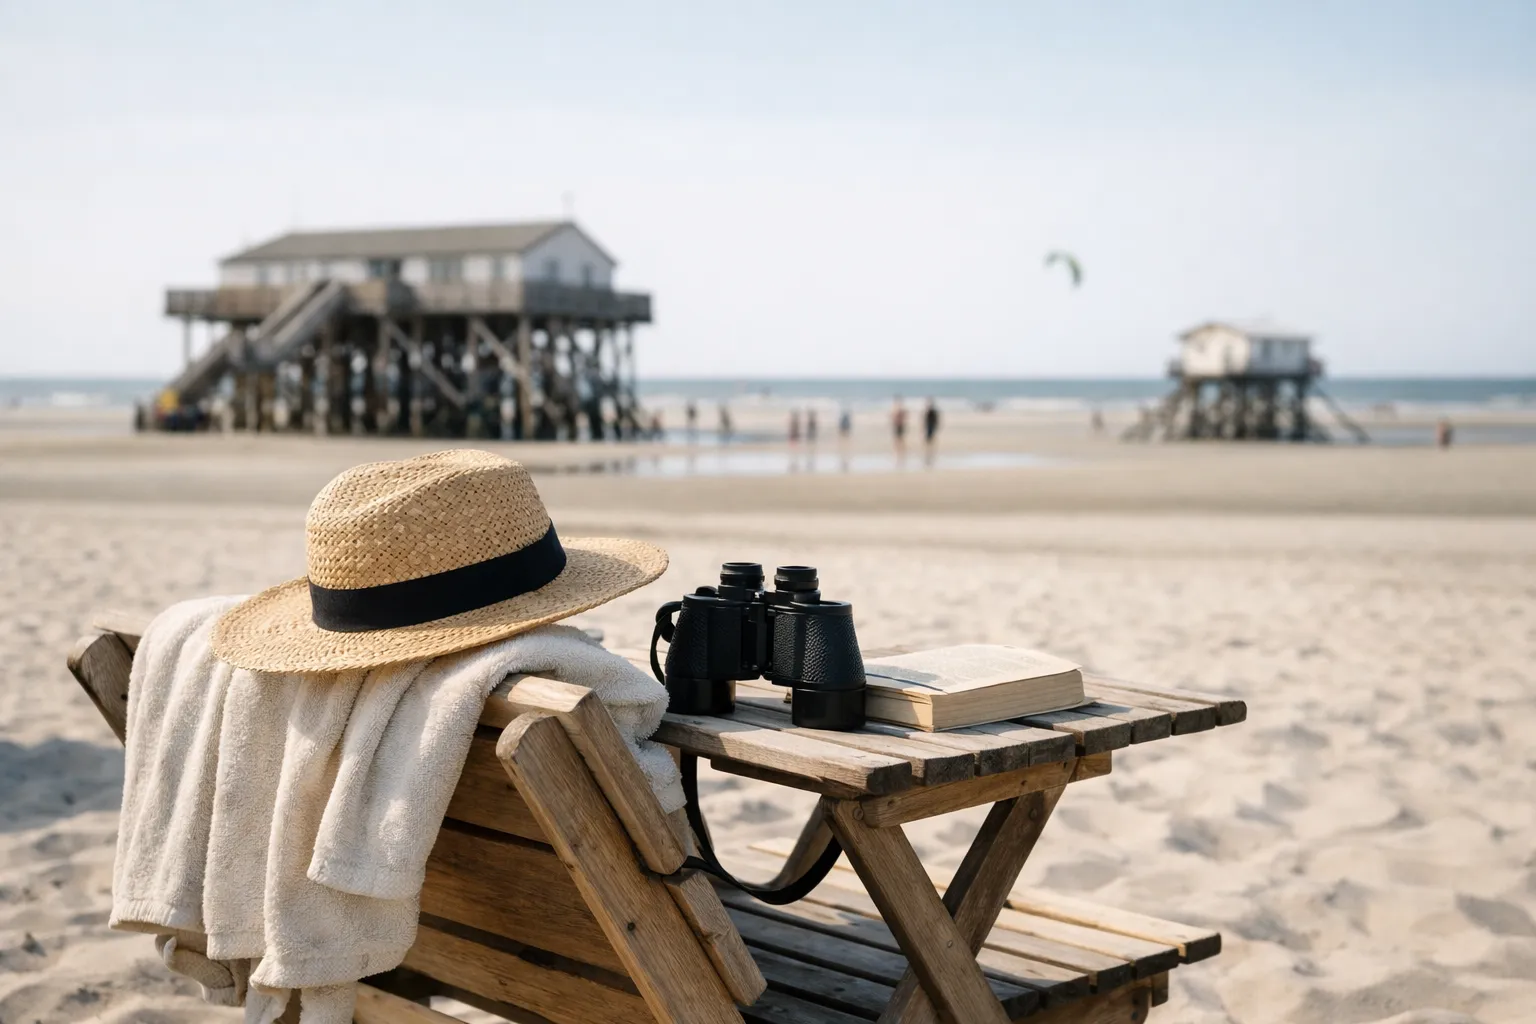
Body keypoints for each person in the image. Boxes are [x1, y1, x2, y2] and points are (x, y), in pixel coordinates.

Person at [922, 397, 940, 465]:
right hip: (928, 428)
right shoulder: (927, 412)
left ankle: (931, 453)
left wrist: (935, 428)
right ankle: (928, 453)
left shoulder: (933, 412)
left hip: (931, 428)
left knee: (930, 442)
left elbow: (936, 421)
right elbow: (925, 421)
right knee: (928, 442)